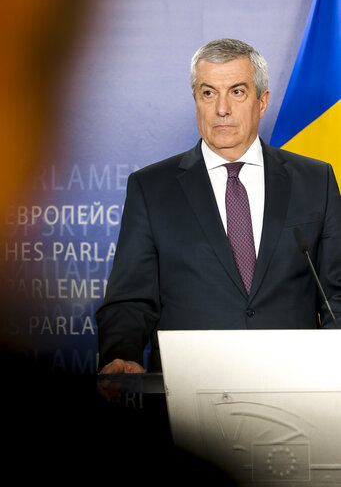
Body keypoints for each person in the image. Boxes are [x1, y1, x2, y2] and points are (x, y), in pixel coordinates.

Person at [96, 38, 341, 380]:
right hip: (190, 393)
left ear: (262, 102)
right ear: (195, 99)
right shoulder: (151, 188)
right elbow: (130, 300)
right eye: (208, 93)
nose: (221, 109)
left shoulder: (316, 180)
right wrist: (121, 354)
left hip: (296, 389)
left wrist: (329, 372)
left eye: (237, 92)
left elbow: (336, 293)